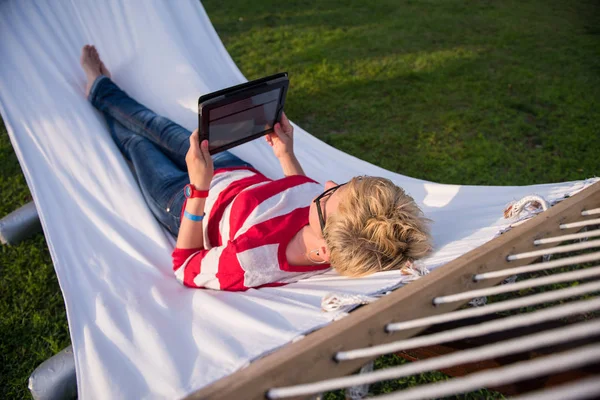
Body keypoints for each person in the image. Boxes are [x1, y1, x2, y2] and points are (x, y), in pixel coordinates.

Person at [81, 45, 432, 291]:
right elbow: (300, 193)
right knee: (155, 125)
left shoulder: (253, 261)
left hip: (186, 201)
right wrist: (285, 153)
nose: (323, 182)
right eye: (340, 183)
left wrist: (199, 189)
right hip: (234, 171)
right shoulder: (332, 227)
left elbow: (186, 267)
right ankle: (105, 91)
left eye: (328, 194)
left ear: (322, 252)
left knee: (136, 143)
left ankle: (98, 91)